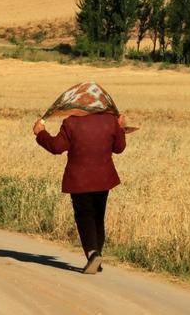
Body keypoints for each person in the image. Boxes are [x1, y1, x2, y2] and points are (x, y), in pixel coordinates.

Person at [33, 82, 127, 275]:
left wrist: (40, 133)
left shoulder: (71, 123)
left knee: (84, 216)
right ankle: (97, 255)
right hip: (104, 179)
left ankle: (93, 254)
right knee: (97, 217)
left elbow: (56, 147)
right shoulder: (110, 121)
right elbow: (119, 148)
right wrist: (121, 128)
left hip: (79, 180)